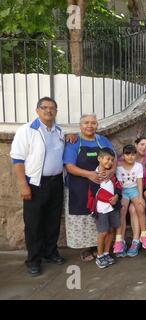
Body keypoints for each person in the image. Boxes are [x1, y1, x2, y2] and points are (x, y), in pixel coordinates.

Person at [11, 97, 66, 276]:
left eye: (52, 108)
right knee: (34, 225)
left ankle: (50, 252)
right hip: (35, 184)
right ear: (37, 110)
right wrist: (23, 185)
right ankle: (33, 260)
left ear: (56, 112)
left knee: (52, 221)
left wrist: (71, 137)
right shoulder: (27, 130)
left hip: (56, 182)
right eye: (44, 107)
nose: (48, 111)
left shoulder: (59, 131)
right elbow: (17, 159)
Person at [63, 114, 115, 263]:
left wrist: (110, 172)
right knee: (82, 217)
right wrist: (90, 175)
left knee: (99, 216)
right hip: (78, 187)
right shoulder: (74, 141)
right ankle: (85, 248)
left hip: (100, 187)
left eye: (93, 123)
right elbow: (69, 166)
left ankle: (96, 247)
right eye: (86, 123)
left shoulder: (102, 140)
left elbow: (114, 158)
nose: (90, 126)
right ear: (80, 125)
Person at [86, 148, 122, 269]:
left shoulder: (111, 174)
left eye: (112, 160)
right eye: (107, 159)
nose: (110, 162)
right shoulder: (94, 176)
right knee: (103, 232)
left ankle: (106, 253)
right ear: (99, 159)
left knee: (111, 230)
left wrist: (117, 195)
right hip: (101, 210)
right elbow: (97, 192)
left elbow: (118, 185)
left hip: (112, 208)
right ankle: (99, 256)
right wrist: (110, 198)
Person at [113, 144, 146, 258]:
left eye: (133, 154)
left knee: (140, 208)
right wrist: (120, 198)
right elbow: (119, 185)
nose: (130, 157)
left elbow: (139, 182)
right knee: (122, 210)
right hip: (124, 191)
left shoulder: (138, 166)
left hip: (134, 189)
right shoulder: (119, 167)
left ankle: (143, 235)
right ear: (123, 155)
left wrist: (140, 197)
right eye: (127, 154)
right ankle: (119, 240)